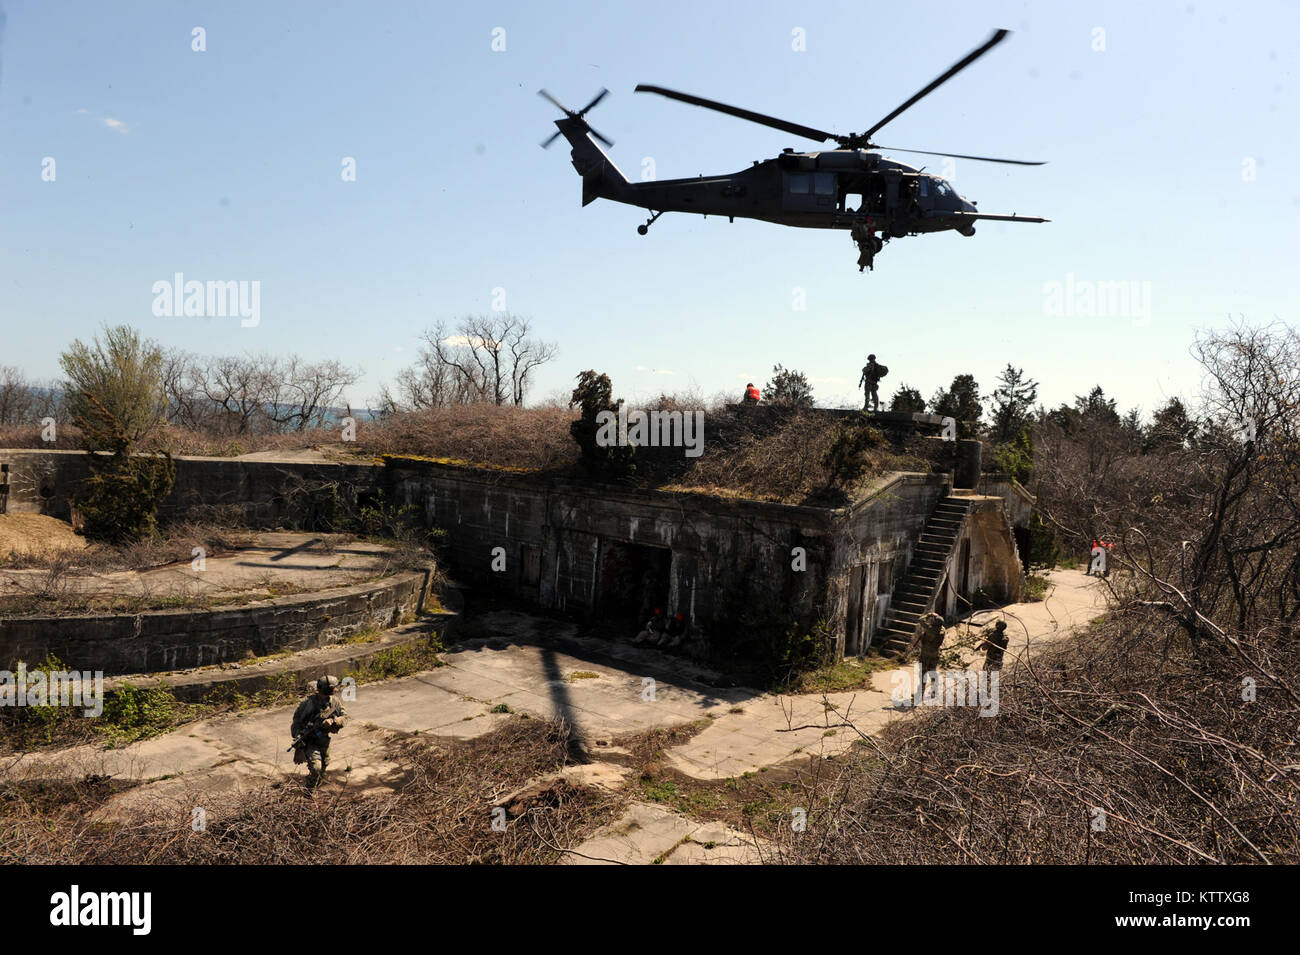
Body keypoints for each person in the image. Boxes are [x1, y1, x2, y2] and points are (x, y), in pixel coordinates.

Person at [290, 675, 348, 791]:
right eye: (334, 688)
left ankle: (314, 783)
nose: (336, 690)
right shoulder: (308, 703)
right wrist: (299, 738)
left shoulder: (335, 702)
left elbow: (345, 718)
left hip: (323, 740)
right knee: (316, 767)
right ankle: (309, 793)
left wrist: (333, 721)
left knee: (323, 768)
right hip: (309, 741)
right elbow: (296, 723)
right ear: (329, 689)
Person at [916, 611, 945, 694]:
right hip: (935, 654)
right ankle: (934, 691)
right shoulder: (942, 630)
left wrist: (930, 615)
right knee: (933, 672)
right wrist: (938, 617)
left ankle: (921, 691)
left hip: (926, 654)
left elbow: (921, 620)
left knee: (923, 672)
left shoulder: (930, 628)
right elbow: (940, 622)